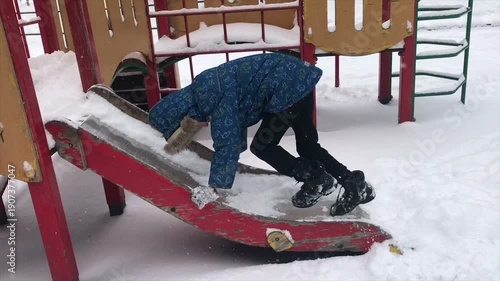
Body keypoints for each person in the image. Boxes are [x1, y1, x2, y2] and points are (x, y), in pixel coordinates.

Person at [148, 53, 374, 215]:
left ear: (187, 114)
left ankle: (317, 180)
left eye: (191, 124)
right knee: (307, 146)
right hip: (297, 78)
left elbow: (227, 143)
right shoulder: (205, 86)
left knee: (263, 146)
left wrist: (214, 187)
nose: (200, 125)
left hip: (285, 88)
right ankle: (354, 184)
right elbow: (234, 132)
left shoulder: (213, 98)